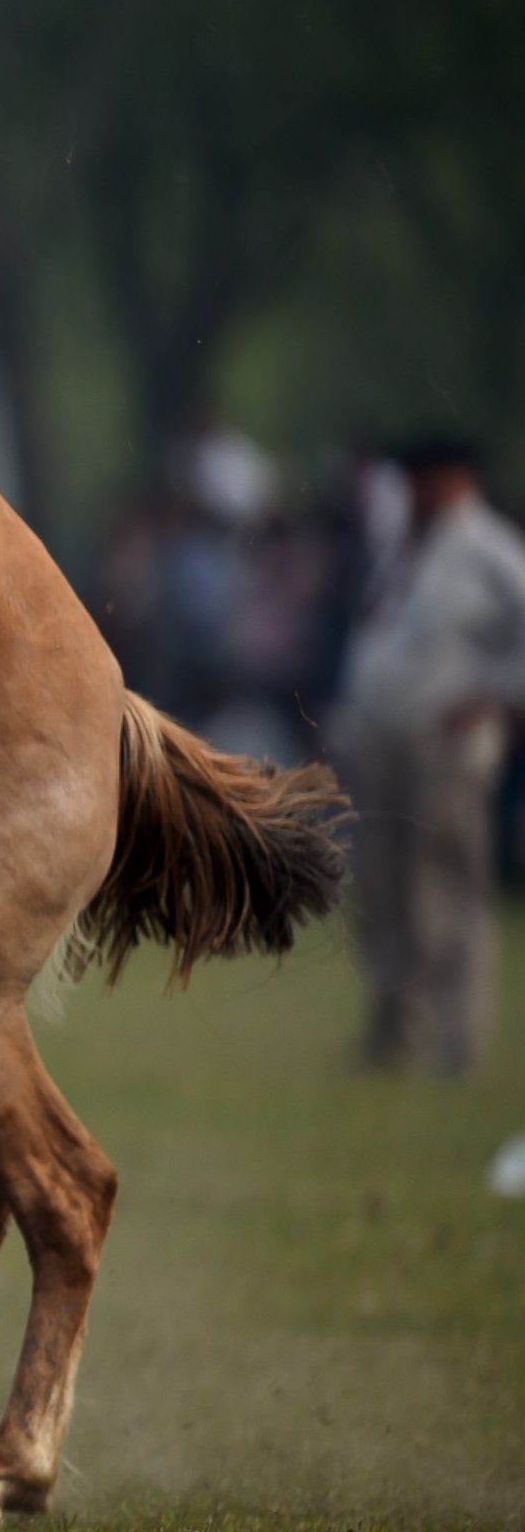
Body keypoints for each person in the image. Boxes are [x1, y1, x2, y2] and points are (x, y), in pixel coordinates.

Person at [333, 439, 525, 1077]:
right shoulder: (403, 548)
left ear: (454, 480)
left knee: (445, 885)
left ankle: (456, 1039)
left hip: (447, 743)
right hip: (385, 739)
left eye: (423, 481)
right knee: (383, 888)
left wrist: (495, 698)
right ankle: (393, 1028)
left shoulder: (491, 550)